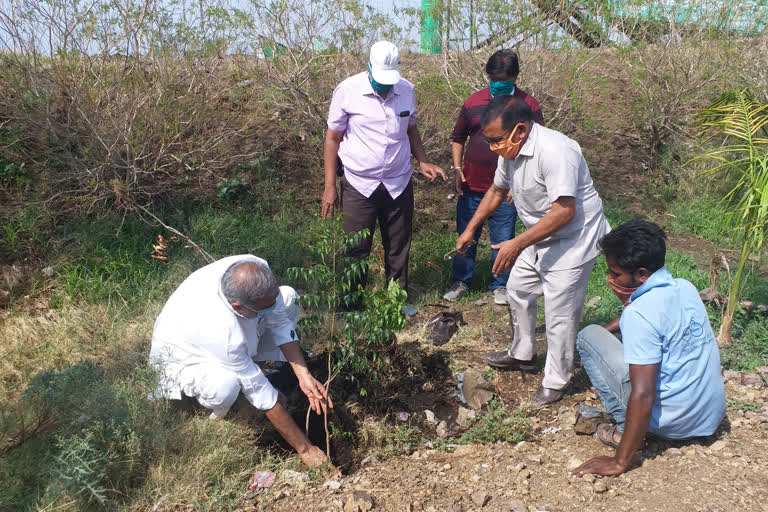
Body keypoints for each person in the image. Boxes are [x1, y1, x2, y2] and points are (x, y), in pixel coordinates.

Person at [455, 95, 610, 406]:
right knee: (519, 288)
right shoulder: (509, 152)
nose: (493, 148)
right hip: (540, 233)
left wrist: (517, 243)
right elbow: (497, 190)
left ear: (521, 131)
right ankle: (523, 352)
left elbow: (564, 211)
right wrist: (471, 228)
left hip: (573, 239)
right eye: (489, 141)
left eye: (497, 140)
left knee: (559, 314)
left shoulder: (557, 151)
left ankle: (557, 381)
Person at [571, 221, 726, 477]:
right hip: (709, 417)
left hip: (672, 425)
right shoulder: (685, 287)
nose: (610, 280)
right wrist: (610, 329)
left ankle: (626, 432)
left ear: (641, 274)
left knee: (588, 336)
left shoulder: (639, 315)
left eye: (615, 273)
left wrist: (619, 463)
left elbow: (643, 394)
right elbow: (646, 313)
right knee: (604, 338)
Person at [149, 255, 332, 468]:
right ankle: (198, 406)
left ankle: (258, 368)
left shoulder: (257, 266)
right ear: (237, 306)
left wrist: (304, 376)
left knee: (289, 296)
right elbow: (263, 396)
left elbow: (280, 321)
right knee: (225, 387)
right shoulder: (224, 334)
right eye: (264, 308)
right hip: (185, 355)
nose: (271, 310)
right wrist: (306, 450)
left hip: (221, 334)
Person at [321, 40, 446, 302]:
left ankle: (395, 303)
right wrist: (330, 186)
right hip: (359, 183)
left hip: (397, 181)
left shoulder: (406, 90)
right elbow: (333, 139)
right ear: (369, 67)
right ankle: (351, 306)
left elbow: (410, 128)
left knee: (399, 246)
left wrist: (422, 159)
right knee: (356, 248)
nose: (385, 86)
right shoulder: (348, 90)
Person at [444, 49, 544, 305]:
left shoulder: (528, 106)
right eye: (493, 78)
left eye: (502, 79)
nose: (497, 83)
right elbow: (458, 138)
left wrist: (520, 183)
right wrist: (458, 169)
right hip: (473, 184)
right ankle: (461, 281)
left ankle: (500, 284)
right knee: (467, 233)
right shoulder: (473, 102)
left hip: (508, 190)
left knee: (503, 238)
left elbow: (538, 146)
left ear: (515, 77)